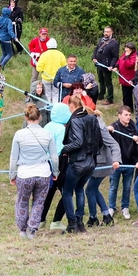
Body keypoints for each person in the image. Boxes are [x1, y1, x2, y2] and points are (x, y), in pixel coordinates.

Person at [10, 104, 59, 238]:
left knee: (22, 201)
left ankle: (22, 229)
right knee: (39, 202)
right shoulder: (47, 134)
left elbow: (14, 158)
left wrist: (12, 174)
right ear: (40, 117)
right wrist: (55, 172)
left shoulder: (19, 134)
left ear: (26, 117)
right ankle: (32, 228)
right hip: (43, 172)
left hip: (25, 172)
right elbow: (54, 157)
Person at [61, 95, 103, 234]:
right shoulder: (92, 118)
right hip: (91, 162)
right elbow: (100, 141)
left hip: (78, 162)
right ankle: (79, 220)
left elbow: (78, 142)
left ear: (71, 106)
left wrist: (64, 149)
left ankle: (72, 222)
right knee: (79, 189)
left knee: (67, 191)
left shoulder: (75, 120)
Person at [85, 110, 121, 227]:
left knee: (90, 190)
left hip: (102, 164)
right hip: (96, 162)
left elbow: (114, 144)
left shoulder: (99, 128)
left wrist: (116, 160)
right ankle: (106, 216)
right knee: (93, 189)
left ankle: (93, 218)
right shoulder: (93, 124)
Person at [39, 103, 71, 230]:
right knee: (67, 192)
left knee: (48, 193)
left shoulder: (47, 126)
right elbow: (57, 151)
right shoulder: (62, 129)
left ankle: (40, 220)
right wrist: (56, 171)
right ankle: (56, 221)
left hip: (45, 164)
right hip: (58, 165)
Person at [107, 106, 138, 219]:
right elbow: (107, 139)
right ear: (119, 115)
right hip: (117, 163)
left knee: (127, 187)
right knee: (113, 186)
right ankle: (111, 207)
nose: (128, 117)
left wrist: (137, 140)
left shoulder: (133, 127)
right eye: (126, 115)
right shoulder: (114, 127)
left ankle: (125, 207)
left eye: (129, 115)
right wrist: (109, 131)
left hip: (129, 162)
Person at [91, 26, 119, 105]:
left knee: (108, 82)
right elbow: (96, 50)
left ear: (111, 32)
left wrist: (112, 65)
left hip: (107, 66)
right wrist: (94, 58)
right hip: (99, 64)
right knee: (101, 80)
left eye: (108, 32)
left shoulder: (114, 43)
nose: (106, 33)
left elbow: (115, 56)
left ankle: (110, 98)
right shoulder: (101, 40)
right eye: (105, 31)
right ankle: (101, 94)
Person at [36, 38, 66, 104]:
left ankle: (48, 109)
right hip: (57, 79)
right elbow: (64, 67)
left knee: (47, 95)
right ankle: (55, 109)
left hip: (46, 78)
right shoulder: (60, 54)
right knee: (56, 95)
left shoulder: (44, 55)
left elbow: (38, 68)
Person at [113, 42, 137, 110]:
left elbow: (129, 65)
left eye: (127, 48)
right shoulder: (125, 54)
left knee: (133, 95)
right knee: (126, 96)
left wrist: (127, 56)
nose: (125, 49)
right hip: (123, 79)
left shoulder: (134, 56)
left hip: (130, 79)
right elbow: (119, 61)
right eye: (125, 48)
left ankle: (135, 109)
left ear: (132, 50)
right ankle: (127, 109)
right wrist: (116, 67)